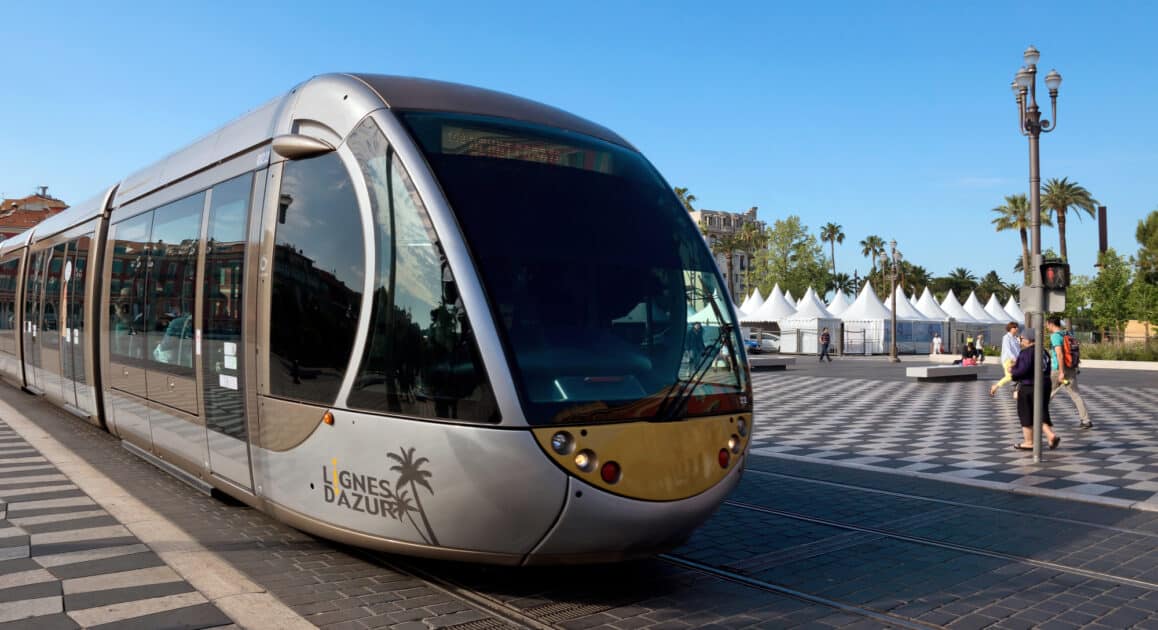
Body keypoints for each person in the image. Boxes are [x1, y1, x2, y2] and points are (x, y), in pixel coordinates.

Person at [1010, 327, 1060, 451]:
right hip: (1045, 384)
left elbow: (1022, 370)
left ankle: (1029, 442)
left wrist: (1013, 371)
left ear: (1028, 339)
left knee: (1026, 413)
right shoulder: (1044, 351)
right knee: (1040, 411)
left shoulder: (1027, 352)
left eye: (1021, 338)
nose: (1020, 341)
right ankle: (1050, 435)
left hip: (1029, 385)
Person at [1047, 315, 1092, 429]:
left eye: (1047, 324)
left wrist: (1061, 372)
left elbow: (1060, 354)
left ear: (1051, 324)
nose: (1046, 326)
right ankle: (1086, 420)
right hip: (1071, 368)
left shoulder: (1055, 336)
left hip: (1059, 370)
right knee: (1075, 394)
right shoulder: (1068, 334)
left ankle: (1038, 418)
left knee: (1048, 393)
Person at [990, 322, 1021, 398]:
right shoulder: (1006, 337)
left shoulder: (1015, 338)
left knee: (1019, 375)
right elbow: (1007, 349)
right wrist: (1014, 359)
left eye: (1017, 327)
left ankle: (1015, 391)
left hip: (1016, 360)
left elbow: (1018, 350)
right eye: (1015, 327)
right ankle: (995, 387)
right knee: (1009, 376)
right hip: (1008, 360)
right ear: (1010, 329)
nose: (1016, 329)